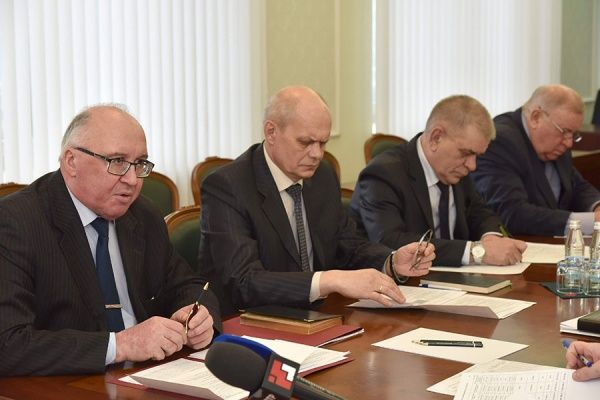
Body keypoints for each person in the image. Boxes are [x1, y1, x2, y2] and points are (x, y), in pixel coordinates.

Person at [0, 105, 221, 376]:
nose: (132, 180)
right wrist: (120, 345)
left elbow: (190, 285)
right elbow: (8, 343)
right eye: (117, 161)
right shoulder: (16, 223)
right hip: (71, 382)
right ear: (71, 161)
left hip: (152, 374)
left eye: (139, 163)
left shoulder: (143, 214)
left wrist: (198, 317)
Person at [199, 86, 435, 316]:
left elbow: (346, 244)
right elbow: (243, 282)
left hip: (320, 316)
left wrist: (391, 261)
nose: (317, 154)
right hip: (252, 320)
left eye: (323, 143)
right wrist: (328, 280)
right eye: (305, 142)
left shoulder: (322, 175)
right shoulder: (228, 186)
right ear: (271, 132)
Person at [349, 95, 526, 267]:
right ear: (436, 138)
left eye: (477, 156)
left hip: (452, 280)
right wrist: (476, 252)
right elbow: (391, 241)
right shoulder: (383, 174)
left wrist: (491, 238)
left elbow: (481, 212)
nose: (472, 165)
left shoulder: (455, 169)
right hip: (396, 282)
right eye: (466, 153)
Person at [471, 84, 600, 236]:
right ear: (535, 117)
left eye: (573, 134)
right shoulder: (499, 141)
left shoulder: (556, 142)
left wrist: (597, 207)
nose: (569, 143)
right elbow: (512, 214)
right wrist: (588, 222)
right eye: (565, 131)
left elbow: (576, 186)